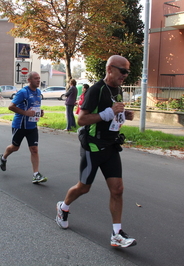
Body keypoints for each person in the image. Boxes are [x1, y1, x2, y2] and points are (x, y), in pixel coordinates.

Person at [55, 55, 137, 248]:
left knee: (118, 189)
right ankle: (63, 207)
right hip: (92, 146)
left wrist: (123, 115)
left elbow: (112, 115)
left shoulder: (118, 90)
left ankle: (117, 234)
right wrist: (106, 113)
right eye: (122, 71)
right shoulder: (96, 90)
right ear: (110, 69)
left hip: (110, 145)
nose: (125, 75)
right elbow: (81, 120)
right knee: (84, 187)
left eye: (127, 72)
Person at [0, 71, 47, 184]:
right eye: (35, 78)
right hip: (20, 125)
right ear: (29, 80)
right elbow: (11, 107)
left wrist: (40, 112)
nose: (38, 80)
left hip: (32, 126)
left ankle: (36, 174)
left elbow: (34, 107)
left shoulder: (39, 92)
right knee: (15, 147)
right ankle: (3, 157)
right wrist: (25, 113)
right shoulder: (23, 92)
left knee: (34, 149)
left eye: (39, 78)